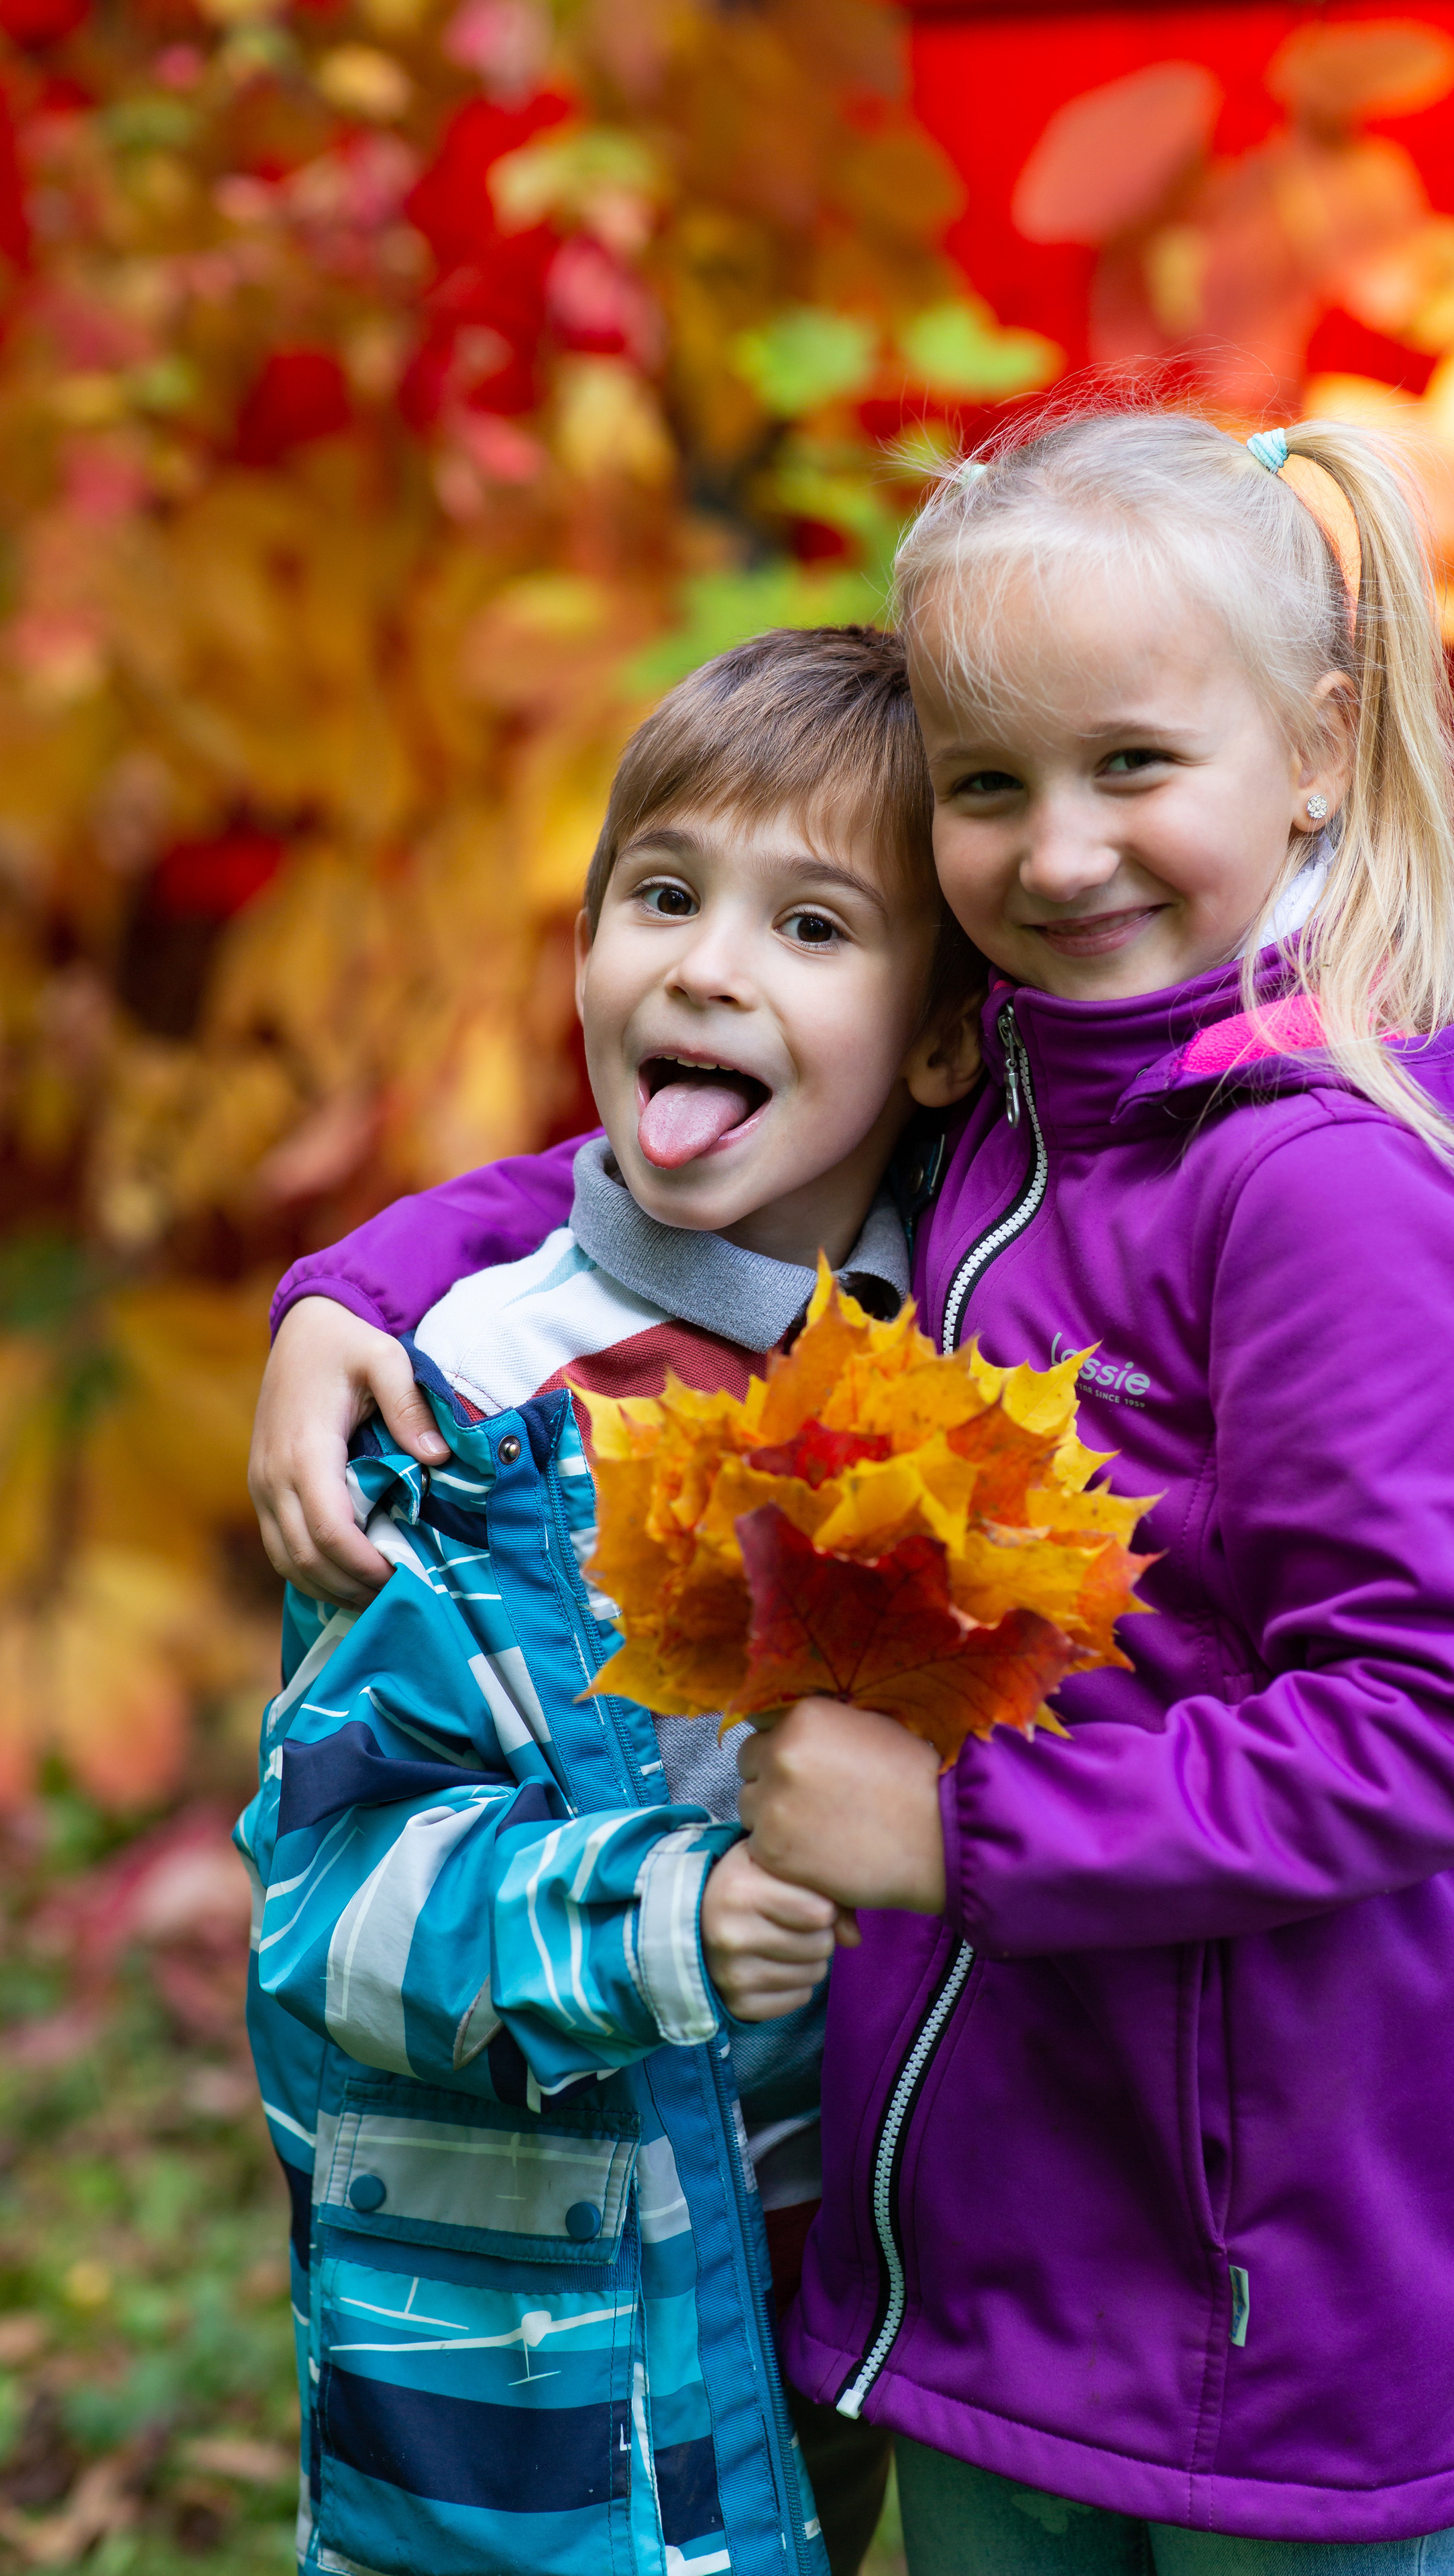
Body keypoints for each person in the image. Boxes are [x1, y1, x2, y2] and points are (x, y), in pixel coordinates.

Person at [251, 408, 1454, 2576]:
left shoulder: (1322, 1195)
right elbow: (684, 1179)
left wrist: (952, 1834)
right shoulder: (1014, 1115)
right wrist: (359, 1283)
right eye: (988, 788)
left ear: (1312, 749)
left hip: (1276, 2260)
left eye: (1132, 766)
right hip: (987, 2244)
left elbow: (1433, 1724)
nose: (1060, 853)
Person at [239, 623, 983, 2576]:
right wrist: (657, 1918)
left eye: (810, 927)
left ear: (939, 1039)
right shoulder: (476, 1402)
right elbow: (329, 1902)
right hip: (545, 2317)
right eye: (661, 896)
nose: (708, 966)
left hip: (851, 2270)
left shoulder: (974, 1346)